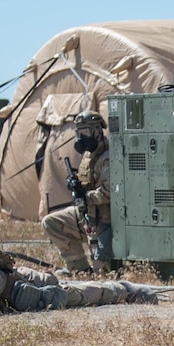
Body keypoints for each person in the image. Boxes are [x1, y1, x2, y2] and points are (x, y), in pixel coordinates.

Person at [0, 234, 156, 314]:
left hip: (21, 288)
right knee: (59, 282)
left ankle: (124, 290)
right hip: (17, 276)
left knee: (71, 295)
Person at [41, 112, 114, 274]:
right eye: (78, 133)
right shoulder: (89, 156)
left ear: (96, 131)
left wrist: (85, 196)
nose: (81, 138)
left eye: (85, 133)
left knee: (103, 271)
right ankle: (80, 269)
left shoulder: (107, 157)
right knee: (51, 222)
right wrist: (75, 183)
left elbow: (109, 192)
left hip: (105, 220)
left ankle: (96, 269)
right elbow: (89, 182)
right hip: (87, 215)